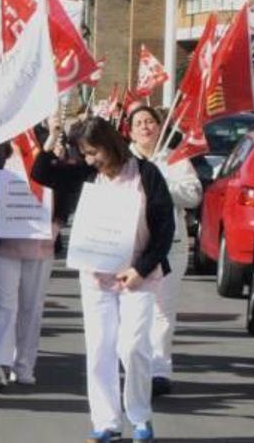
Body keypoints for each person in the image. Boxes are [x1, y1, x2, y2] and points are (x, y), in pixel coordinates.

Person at [31, 116, 175, 443]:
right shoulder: (88, 175)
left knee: (133, 347)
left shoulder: (146, 174)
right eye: (84, 153)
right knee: (99, 350)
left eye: (94, 152)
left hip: (138, 277)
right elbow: (41, 172)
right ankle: (107, 423)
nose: (89, 159)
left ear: (110, 144)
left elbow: (165, 227)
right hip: (96, 277)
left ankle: (140, 417)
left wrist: (141, 268)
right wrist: (53, 135)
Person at [127, 105, 201, 397]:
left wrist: (161, 181)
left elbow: (194, 195)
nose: (145, 127)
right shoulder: (124, 161)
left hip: (172, 248)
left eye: (150, 122)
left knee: (162, 312)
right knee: (135, 312)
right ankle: (136, 366)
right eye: (139, 123)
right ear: (130, 131)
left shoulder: (175, 159)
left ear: (159, 127)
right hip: (134, 248)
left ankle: (159, 371)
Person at [0, 141, 57, 389]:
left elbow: (67, 190)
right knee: (3, 307)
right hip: (3, 245)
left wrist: (58, 223)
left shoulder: (50, 148)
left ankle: (23, 364)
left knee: (31, 308)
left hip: (39, 244)